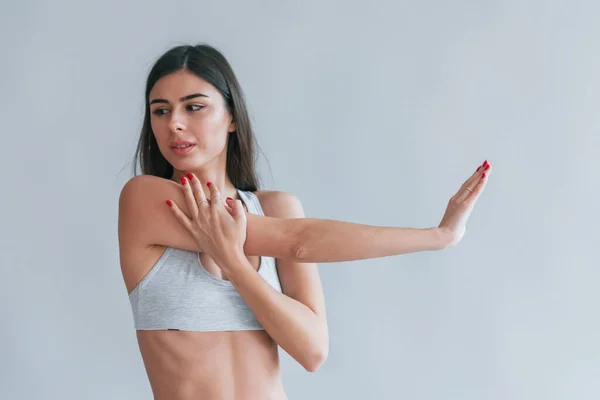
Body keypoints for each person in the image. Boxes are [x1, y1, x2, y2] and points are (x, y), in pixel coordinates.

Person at [117, 43, 492, 400]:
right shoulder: (146, 200)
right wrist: (436, 236)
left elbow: (312, 351)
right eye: (161, 111)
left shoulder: (278, 207)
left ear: (232, 117)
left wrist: (235, 265)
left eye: (193, 107)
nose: (175, 124)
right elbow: (297, 240)